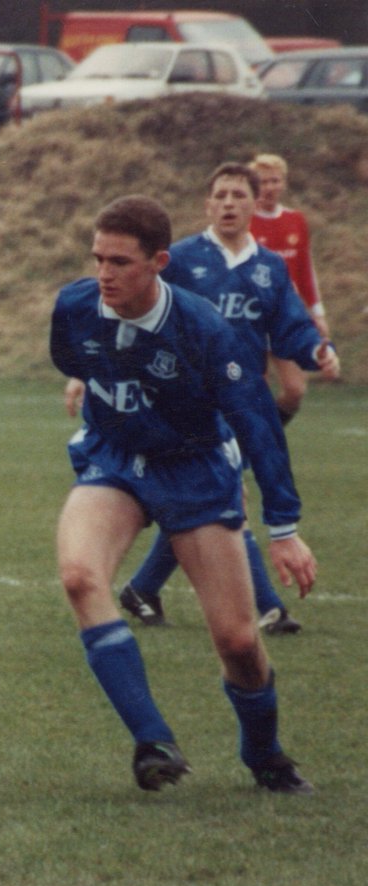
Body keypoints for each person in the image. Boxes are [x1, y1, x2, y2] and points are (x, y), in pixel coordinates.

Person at [52, 194, 317, 794]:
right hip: (116, 460)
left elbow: (256, 422)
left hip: (194, 468)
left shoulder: (204, 329)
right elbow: (71, 355)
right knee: (79, 576)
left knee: (239, 642)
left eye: (120, 262)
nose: (104, 274)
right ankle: (152, 739)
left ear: (159, 263)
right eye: (98, 258)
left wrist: (283, 527)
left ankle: (264, 752)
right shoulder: (75, 305)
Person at [115, 162, 339, 636]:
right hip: (186, 400)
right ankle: (268, 607)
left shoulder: (269, 268)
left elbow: (290, 326)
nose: (229, 204)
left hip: (243, 399)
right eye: (220, 195)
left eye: (238, 195)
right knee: (224, 496)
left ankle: (142, 588)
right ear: (207, 204)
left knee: (205, 500)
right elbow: (135, 310)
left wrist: (317, 349)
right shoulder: (179, 260)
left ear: (255, 204)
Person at [249, 153, 331, 424]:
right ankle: (251, 447)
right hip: (252, 319)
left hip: (284, 319)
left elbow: (304, 269)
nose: (270, 187)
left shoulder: (296, 220)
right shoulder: (244, 221)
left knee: (295, 391)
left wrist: (317, 313)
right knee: (253, 391)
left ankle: (265, 436)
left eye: (275, 180)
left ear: (284, 183)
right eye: (263, 181)